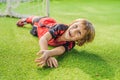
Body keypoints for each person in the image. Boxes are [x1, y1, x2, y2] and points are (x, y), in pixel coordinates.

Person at [16, 16, 95, 68]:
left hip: (38, 33)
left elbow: (61, 50)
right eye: (75, 26)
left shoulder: (71, 44)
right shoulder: (60, 27)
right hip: (44, 26)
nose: (73, 31)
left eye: (79, 33)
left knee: (33, 32)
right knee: (36, 21)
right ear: (71, 25)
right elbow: (44, 39)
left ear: (80, 40)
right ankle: (27, 19)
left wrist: (49, 54)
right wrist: (46, 52)